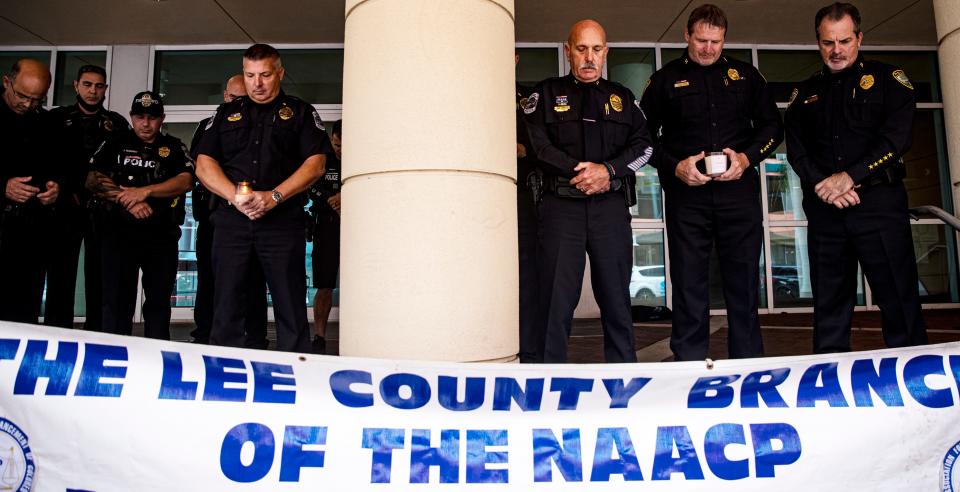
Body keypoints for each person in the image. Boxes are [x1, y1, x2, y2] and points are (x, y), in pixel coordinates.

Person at [641, 4, 783, 361]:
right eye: (701, 40)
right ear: (686, 36)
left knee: (743, 283)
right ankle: (688, 363)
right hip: (687, 197)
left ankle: (748, 365)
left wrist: (747, 158)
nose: (708, 48)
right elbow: (641, 138)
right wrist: (675, 167)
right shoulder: (665, 80)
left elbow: (772, 128)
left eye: (715, 42)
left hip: (739, 195)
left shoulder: (746, 76)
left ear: (724, 39)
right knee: (689, 284)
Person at [785, 2, 928, 353]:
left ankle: (916, 387)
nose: (836, 50)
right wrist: (826, 186)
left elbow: (896, 139)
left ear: (859, 38)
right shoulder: (804, 94)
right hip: (826, 212)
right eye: (828, 42)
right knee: (829, 309)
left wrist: (849, 177)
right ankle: (829, 391)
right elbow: (797, 151)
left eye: (844, 41)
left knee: (898, 301)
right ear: (818, 42)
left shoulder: (888, 80)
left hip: (879, 205)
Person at [524, 20, 653, 363]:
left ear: (606, 52)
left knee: (616, 300)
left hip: (609, 208)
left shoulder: (623, 99)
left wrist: (607, 171)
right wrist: (581, 172)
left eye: (596, 49)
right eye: (581, 49)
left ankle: (624, 379)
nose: (588, 57)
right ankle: (547, 382)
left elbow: (644, 146)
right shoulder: (546, 94)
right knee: (555, 302)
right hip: (560, 208)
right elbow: (538, 147)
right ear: (568, 50)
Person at [195, 43, 330, 353]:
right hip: (232, 221)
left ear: (279, 73)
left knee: (290, 304)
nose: (257, 83)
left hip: (282, 222)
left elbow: (316, 164)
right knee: (226, 303)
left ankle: (296, 376)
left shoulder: (300, 112)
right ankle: (223, 374)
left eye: (265, 75)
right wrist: (234, 196)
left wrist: (274, 196)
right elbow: (204, 164)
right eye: (250, 74)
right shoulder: (226, 113)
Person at [87, 91, 193, 339]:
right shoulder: (114, 142)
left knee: (158, 303)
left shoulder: (174, 146)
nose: (146, 123)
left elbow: (185, 181)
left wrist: (145, 191)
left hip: (161, 236)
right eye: (140, 117)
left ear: (162, 118)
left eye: (153, 117)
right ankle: (114, 356)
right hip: (118, 234)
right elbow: (92, 179)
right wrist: (129, 200)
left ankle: (158, 358)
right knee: (115, 301)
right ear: (132, 117)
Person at [46, 65, 130, 329]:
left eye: (99, 86)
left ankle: (96, 336)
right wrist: (80, 178)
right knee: (61, 275)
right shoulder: (57, 119)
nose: (93, 91)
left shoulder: (116, 123)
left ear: (106, 88)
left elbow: (125, 164)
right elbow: (48, 162)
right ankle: (58, 335)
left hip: (103, 210)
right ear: (76, 85)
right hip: (65, 207)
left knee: (100, 278)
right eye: (87, 84)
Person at [189, 74, 269, 348]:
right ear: (225, 97)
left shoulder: (259, 127)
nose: (239, 105)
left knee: (254, 281)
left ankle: (256, 338)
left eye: (244, 99)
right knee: (212, 281)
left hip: (253, 215)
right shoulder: (211, 126)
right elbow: (203, 168)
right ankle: (205, 336)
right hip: (217, 215)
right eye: (235, 99)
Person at [0, 59, 60, 324]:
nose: (28, 104)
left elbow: (62, 168)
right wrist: (3, 185)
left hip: (31, 233)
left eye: (37, 100)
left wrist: (56, 187)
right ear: (6, 82)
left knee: (24, 311)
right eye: (22, 96)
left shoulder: (46, 124)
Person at [515, 54, 541, 363]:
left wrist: (522, 150)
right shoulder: (470, 91)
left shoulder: (528, 100)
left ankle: (529, 350)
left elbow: (543, 146)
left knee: (526, 276)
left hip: (523, 196)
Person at [308, 119, 341, 355]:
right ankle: (319, 335)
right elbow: (310, 186)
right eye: (337, 144)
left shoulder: (363, 158)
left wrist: (346, 194)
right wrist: (331, 198)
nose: (340, 149)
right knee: (324, 284)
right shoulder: (324, 159)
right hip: (326, 226)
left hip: (357, 228)